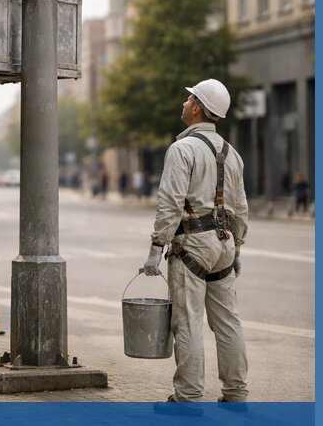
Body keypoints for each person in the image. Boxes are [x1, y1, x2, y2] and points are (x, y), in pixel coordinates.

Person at [143, 79, 249, 405]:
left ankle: (187, 398)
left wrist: (156, 248)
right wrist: (238, 247)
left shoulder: (182, 149)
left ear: (198, 108)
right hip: (225, 243)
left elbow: (171, 202)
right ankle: (236, 393)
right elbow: (241, 207)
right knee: (228, 321)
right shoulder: (233, 154)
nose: (184, 102)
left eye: (188, 98)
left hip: (192, 243)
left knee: (187, 320)